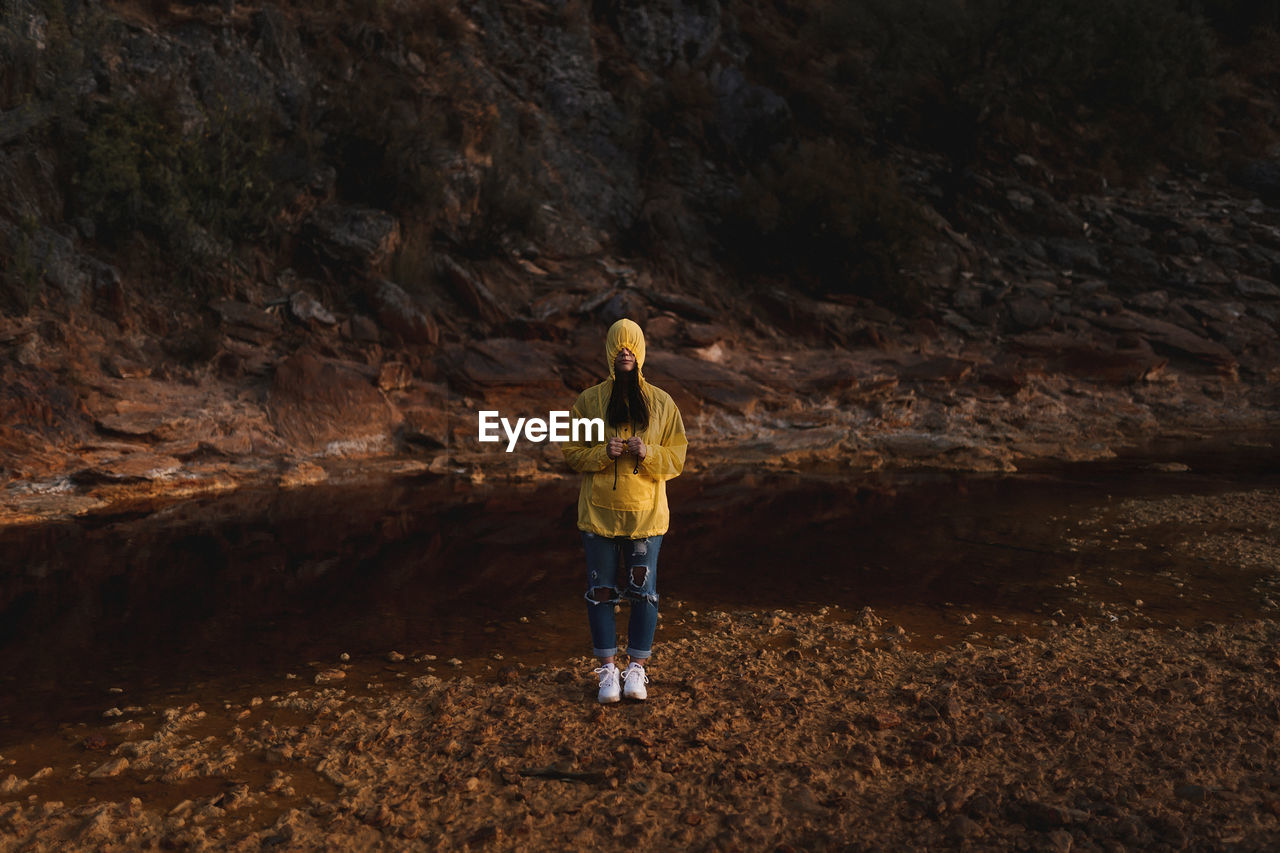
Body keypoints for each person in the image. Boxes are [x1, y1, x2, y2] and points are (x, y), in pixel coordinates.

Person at [561, 318, 687, 703]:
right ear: (609, 353)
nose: (625, 353)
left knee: (644, 594)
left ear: (642, 352)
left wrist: (648, 453)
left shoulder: (663, 403)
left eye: (631, 347)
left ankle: (637, 669)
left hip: (646, 517)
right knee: (600, 592)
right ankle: (606, 672)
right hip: (598, 516)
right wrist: (602, 453)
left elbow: (678, 457)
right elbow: (570, 451)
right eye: (618, 347)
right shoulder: (589, 401)